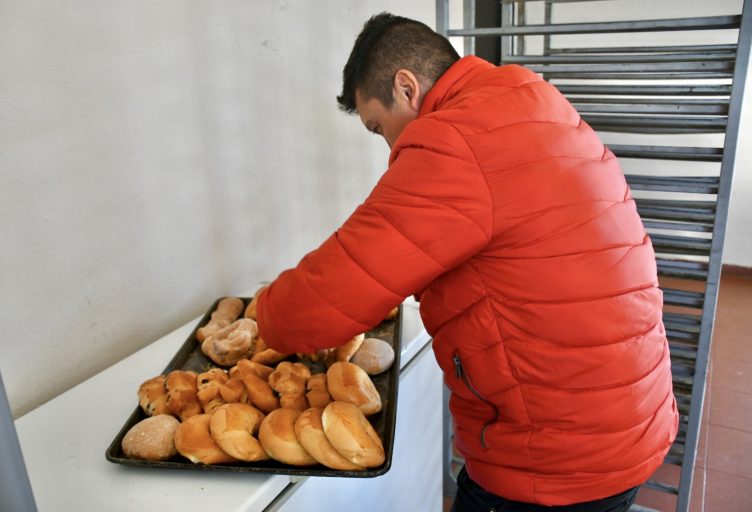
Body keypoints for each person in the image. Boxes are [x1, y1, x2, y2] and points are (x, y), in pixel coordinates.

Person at [256, 12, 678, 512]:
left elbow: (320, 302)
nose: (390, 146)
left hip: (554, 457)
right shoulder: (533, 101)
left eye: (378, 127)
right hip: (629, 418)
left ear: (407, 87)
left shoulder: (455, 140)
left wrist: (264, 313)